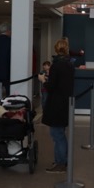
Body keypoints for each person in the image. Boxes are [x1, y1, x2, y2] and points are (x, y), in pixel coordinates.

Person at [39, 38, 73, 173]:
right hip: (65, 102)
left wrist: (43, 80)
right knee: (60, 133)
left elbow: (51, 86)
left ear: (56, 49)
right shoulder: (69, 64)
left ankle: (60, 163)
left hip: (56, 103)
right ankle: (63, 160)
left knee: (57, 134)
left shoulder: (56, 65)